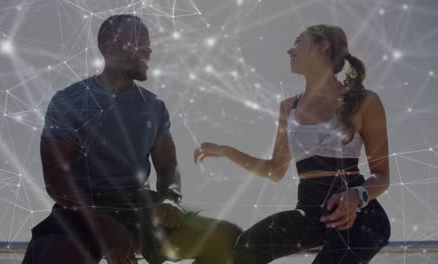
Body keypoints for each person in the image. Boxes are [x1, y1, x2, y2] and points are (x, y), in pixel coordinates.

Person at [22, 14, 241, 264]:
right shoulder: (69, 101)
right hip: (81, 210)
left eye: (149, 43)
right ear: (109, 47)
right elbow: (56, 181)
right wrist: (105, 227)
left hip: (138, 207)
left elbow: (168, 166)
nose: (149, 49)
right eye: (140, 42)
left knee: (227, 239)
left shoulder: (154, 107)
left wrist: (170, 197)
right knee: (56, 255)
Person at [194, 24, 391, 264]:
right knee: (248, 245)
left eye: (298, 41)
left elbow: (381, 176)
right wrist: (226, 151)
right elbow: (275, 170)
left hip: (360, 215)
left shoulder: (365, 101)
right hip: (310, 212)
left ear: (323, 46)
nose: (289, 50)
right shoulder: (288, 108)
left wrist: (356, 196)